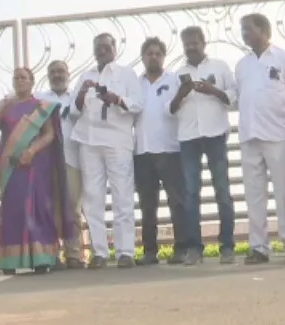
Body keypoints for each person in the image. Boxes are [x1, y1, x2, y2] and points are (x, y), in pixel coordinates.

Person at [0, 68, 72, 274]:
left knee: (38, 207)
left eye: (23, 77)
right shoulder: (7, 105)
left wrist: (31, 150)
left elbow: (50, 134)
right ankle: (10, 260)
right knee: (13, 208)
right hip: (12, 164)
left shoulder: (41, 107)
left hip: (36, 163)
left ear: (32, 81)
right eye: (16, 78)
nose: (19, 81)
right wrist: (0, 107)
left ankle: (42, 258)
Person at [71, 33, 144, 269]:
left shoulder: (126, 74)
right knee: (92, 198)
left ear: (115, 49)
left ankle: (125, 251)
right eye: (98, 48)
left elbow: (138, 104)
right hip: (89, 142)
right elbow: (73, 112)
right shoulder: (86, 76)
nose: (101, 51)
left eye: (105, 47)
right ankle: (99, 253)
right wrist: (82, 93)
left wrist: (116, 98)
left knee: (122, 196)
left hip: (117, 141)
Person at [236, 14, 285, 265]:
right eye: (242, 30)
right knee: (254, 194)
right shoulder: (242, 65)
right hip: (249, 136)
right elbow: (239, 97)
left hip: (278, 135)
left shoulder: (284, 60)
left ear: (264, 31)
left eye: (248, 30)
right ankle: (259, 247)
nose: (244, 34)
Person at [169, 26, 237, 266]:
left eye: (194, 43)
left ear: (203, 42)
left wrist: (212, 90)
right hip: (188, 137)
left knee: (222, 192)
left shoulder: (220, 67)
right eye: (186, 44)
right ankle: (195, 248)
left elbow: (233, 96)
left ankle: (227, 246)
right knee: (190, 194)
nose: (190, 47)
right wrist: (181, 92)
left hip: (215, 134)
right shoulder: (177, 73)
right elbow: (171, 109)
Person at [134, 38, 187, 266]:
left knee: (177, 202)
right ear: (143, 57)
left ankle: (182, 249)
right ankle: (149, 252)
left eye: (157, 53)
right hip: (142, 150)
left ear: (163, 57)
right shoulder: (135, 84)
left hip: (170, 149)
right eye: (149, 53)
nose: (153, 57)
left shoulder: (174, 80)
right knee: (147, 205)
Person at [36, 60, 86, 269]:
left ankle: (75, 254)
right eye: (53, 72)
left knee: (73, 206)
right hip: (47, 161)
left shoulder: (77, 97)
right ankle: (52, 255)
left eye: (61, 71)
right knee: (50, 209)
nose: (57, 75)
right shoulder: (40, 99)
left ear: (68, 73)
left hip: (73, 157)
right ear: (48, 75)